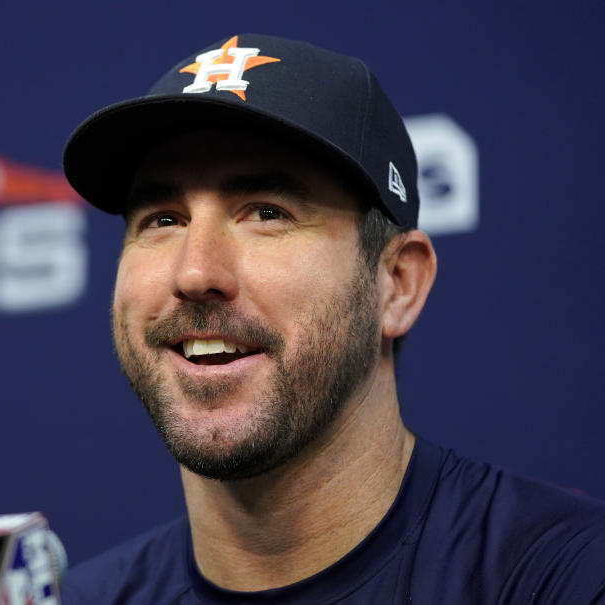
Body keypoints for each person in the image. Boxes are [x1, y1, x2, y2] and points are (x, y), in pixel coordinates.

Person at [59, 34, 605, 604]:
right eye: (162, 219)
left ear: (398, 284)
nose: (195, 273)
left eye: (267, 213)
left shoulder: (566, 579)